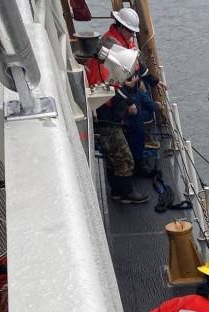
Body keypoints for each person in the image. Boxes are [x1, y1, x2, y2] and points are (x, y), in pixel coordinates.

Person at [84, 8, 148, 204]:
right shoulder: (109, 51)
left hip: (111, 105)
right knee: (121, 155)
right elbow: (109, 86)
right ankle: (127, 193)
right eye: (130, 30)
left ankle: (117, 192)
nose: (132, 35)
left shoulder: (117, 46)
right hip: (106, 108)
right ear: (120, 27)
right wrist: (128, 97)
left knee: (113, 154)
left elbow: (132, 70)